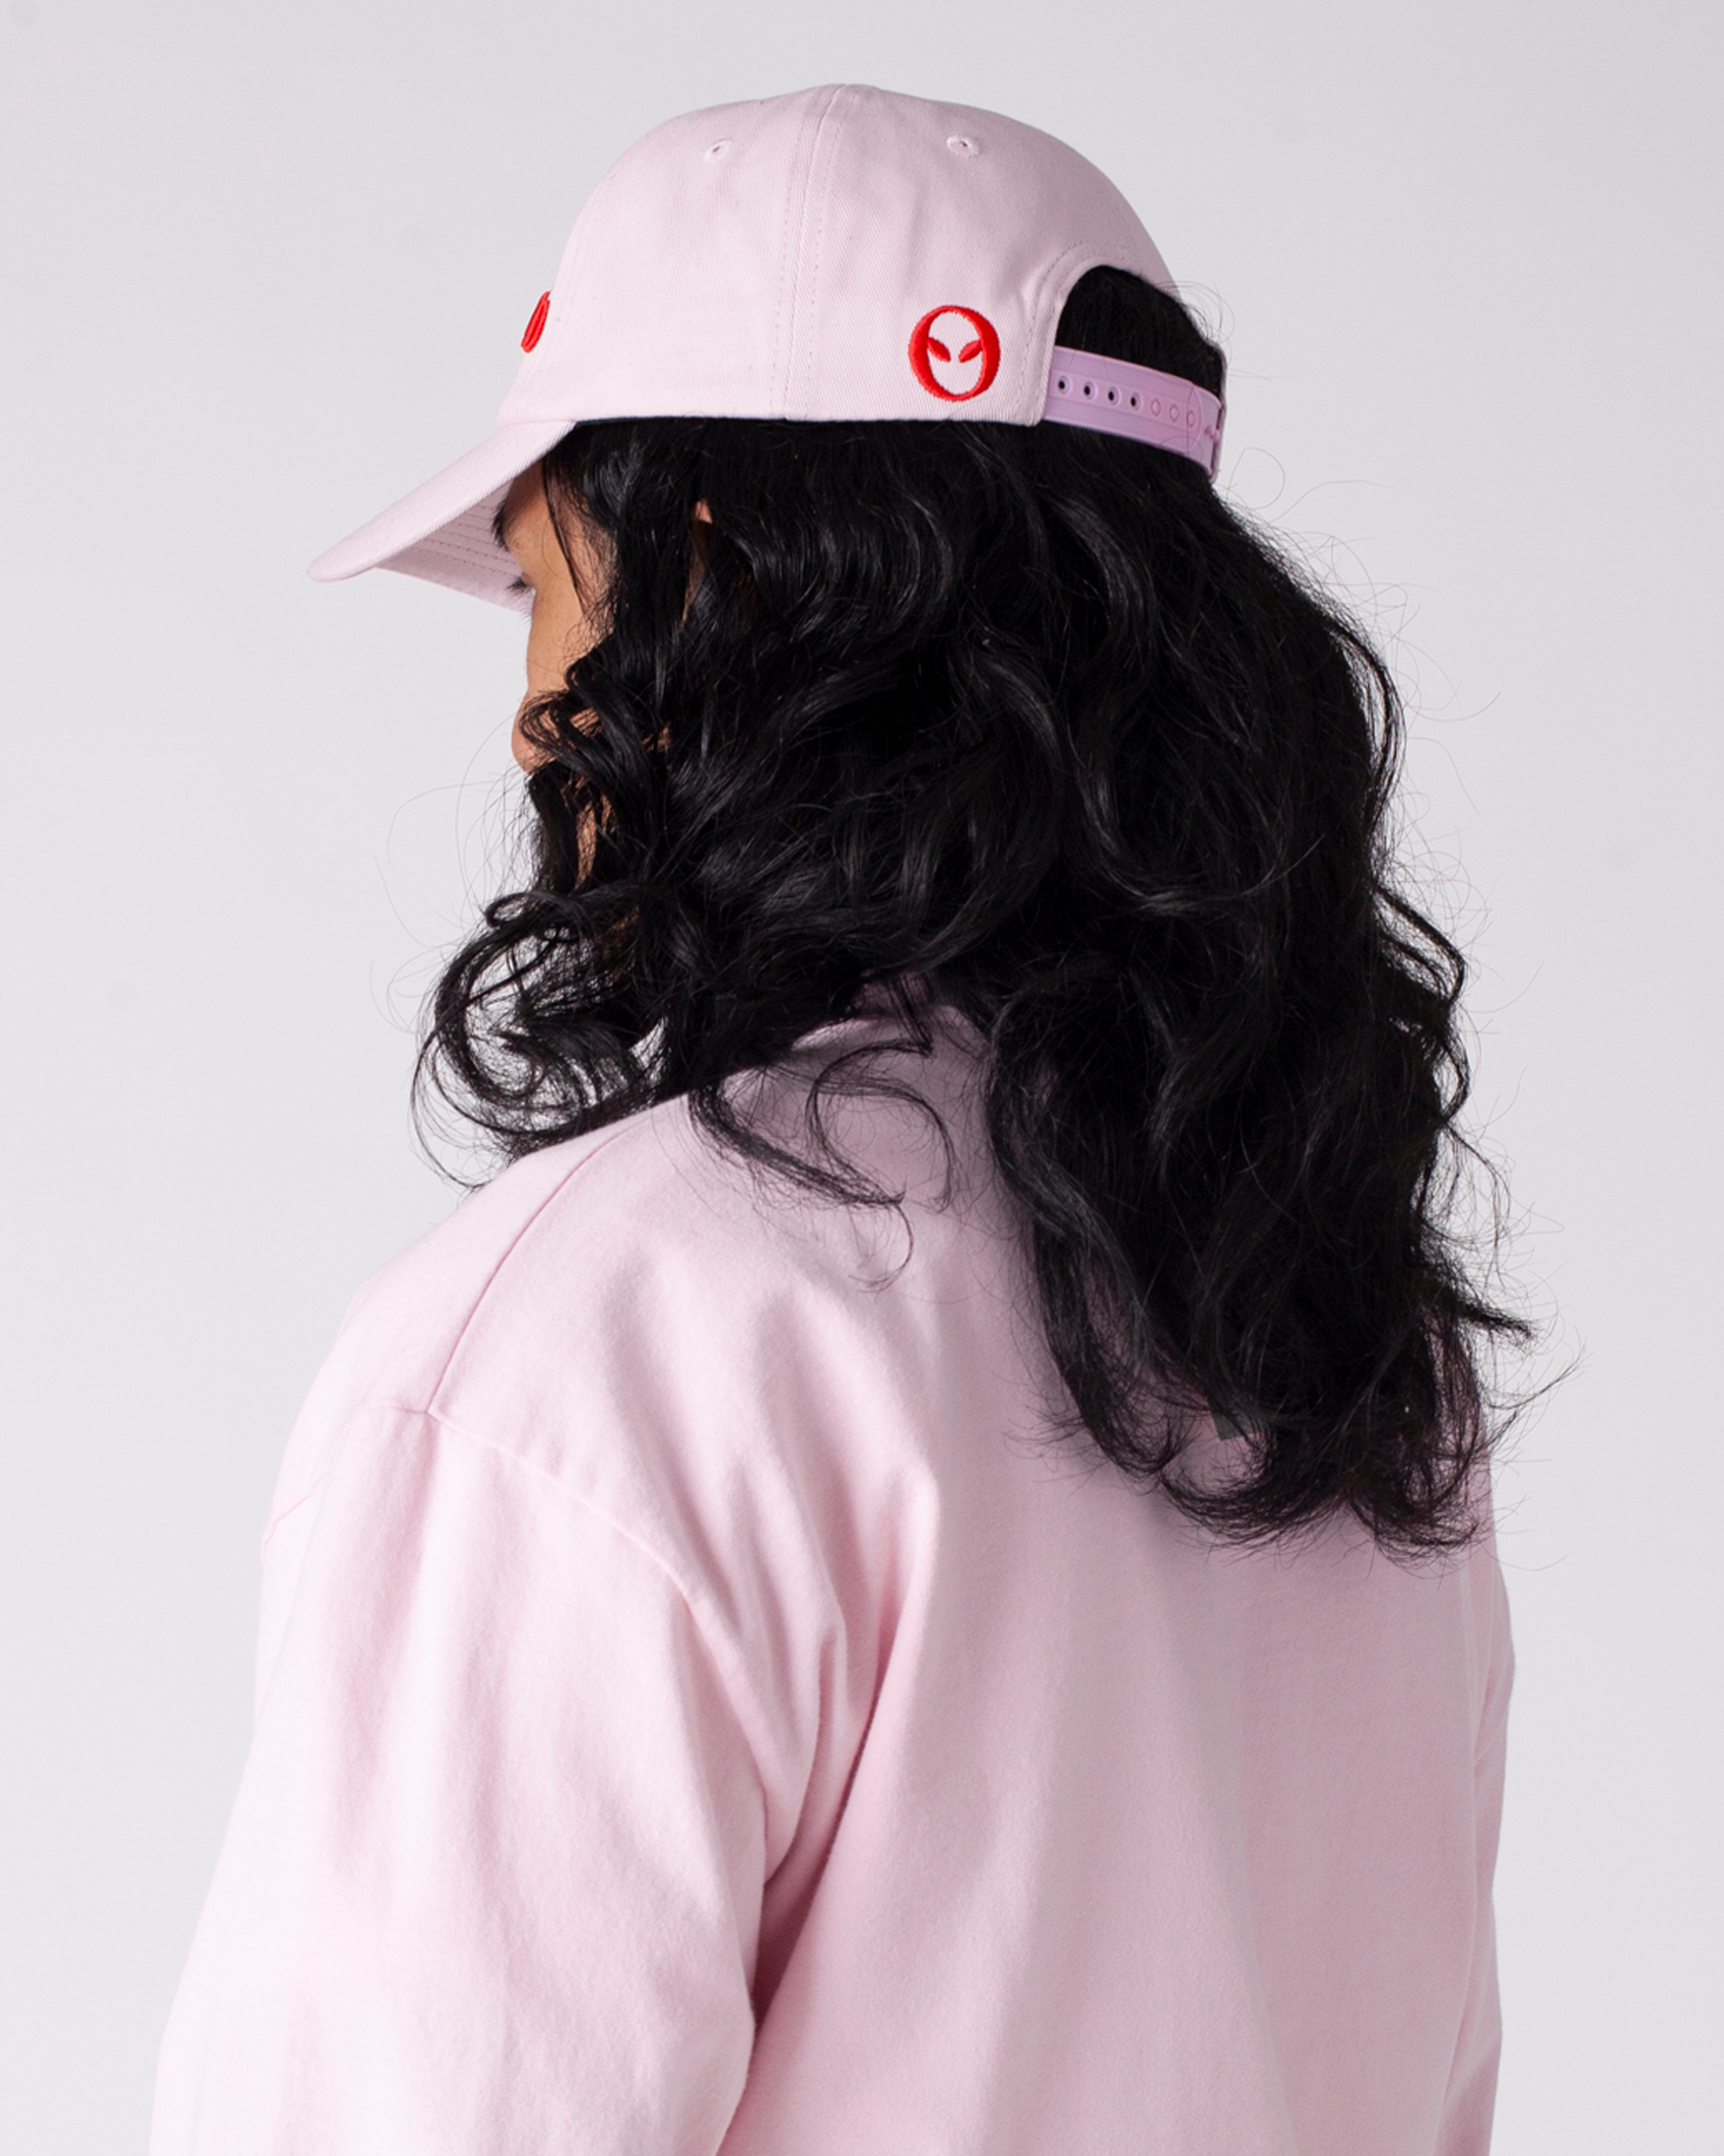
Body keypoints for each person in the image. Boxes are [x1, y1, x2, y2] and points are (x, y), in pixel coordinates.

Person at [150, 84, 1523, 2156]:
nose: (528, 716)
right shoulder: (1336, 1341)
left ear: (706, 583)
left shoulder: (603, 1341)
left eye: (544, 585)